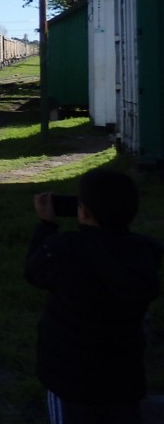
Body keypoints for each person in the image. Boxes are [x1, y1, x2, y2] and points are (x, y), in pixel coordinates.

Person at [26, 167, 162, 423]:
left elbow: (33, 271)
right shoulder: (144, 252)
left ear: (84, 211)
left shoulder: (64, 249)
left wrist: (45, 225)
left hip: (70, 378)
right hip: (124, 378)